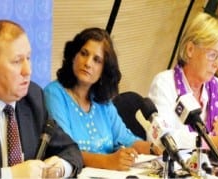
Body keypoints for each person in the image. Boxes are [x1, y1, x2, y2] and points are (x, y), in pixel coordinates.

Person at [0, 20, 83, 178]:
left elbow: (71, 150)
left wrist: (60, 168)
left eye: (28, 58)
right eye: (17, 61)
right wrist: (12, 175)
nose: (28, 71)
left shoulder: (33, 96)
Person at [44, 27, 161, 171]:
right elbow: (65, 151)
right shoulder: (54, 94)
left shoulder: (102, 101)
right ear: (73, 55)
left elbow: (127, 139)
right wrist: (108, 161)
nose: (88, 63)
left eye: (97, 60)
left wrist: (155, 149)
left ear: (104, 69)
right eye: (83, 53)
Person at [148, 12, 218, 150]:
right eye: (213, 55)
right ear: (190, 49)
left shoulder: (215, 87)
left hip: (211, 168)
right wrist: (213, 141)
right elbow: (162, 137)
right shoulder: (164, 84)